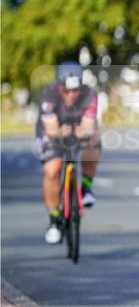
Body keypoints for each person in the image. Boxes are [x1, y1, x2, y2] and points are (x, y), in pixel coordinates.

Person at [36, 62, 101, 244]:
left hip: (76, 127)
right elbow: (50, 127)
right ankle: (55, 219)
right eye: (66, 90)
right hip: (52, 131)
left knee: (94, 139)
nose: (71, 94)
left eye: (75, 90)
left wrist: (83, 132)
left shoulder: (89, 94)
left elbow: (89, 125)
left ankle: (86, 187)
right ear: (59, 86)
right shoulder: (49, 94)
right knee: (53, 168)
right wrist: (59, 133)